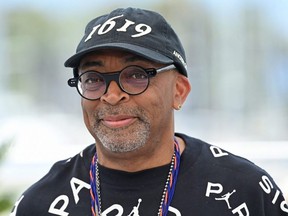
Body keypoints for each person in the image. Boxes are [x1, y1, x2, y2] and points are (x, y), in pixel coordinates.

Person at [10, 7, 288, 216]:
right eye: (93, 78)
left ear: (179, 91)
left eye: (135, 75)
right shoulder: (41, 202)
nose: (112, 94)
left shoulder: (246, 190)